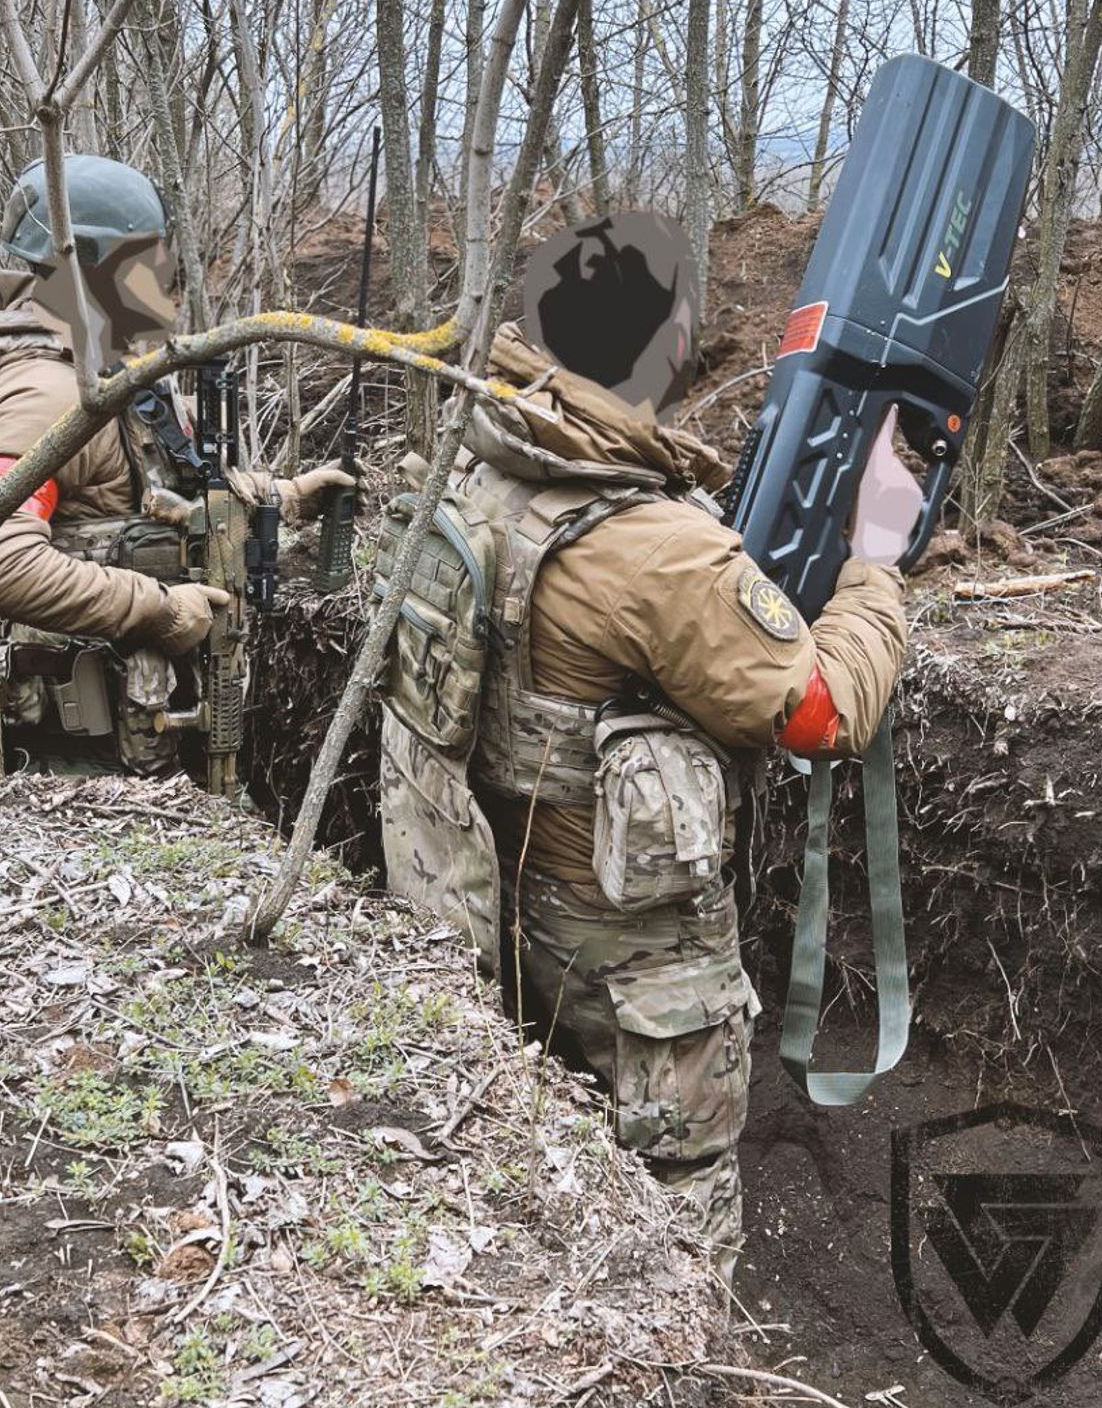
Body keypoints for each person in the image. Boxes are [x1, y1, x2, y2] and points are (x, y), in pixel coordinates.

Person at [378, 213, 910, 1283]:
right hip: (637, 961)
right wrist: (875, 568)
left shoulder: (477, 468)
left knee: (550, 1167)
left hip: (499, 904)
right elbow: (816, 712)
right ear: (668, 348)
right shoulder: (652, 545)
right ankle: (681, 1389)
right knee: (680, 1192)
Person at [0, 155, 349, 774]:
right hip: (63, 756)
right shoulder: (45, 393)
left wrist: (285, 497)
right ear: (96, 269)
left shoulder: (100, 367)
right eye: (148, 261)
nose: (163, 280)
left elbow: (161, 483)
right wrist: (160, 610)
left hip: (123, 730)